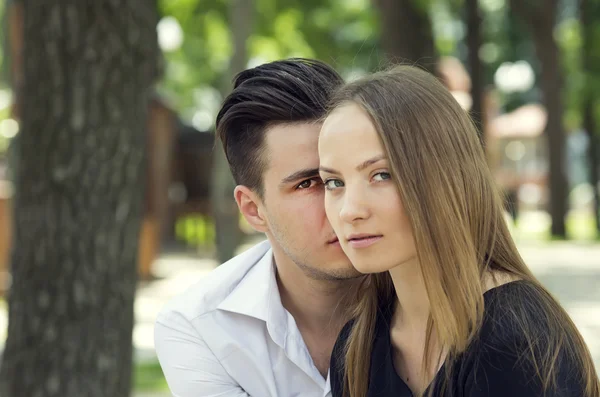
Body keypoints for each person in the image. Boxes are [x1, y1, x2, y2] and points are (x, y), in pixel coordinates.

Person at [318, 66, 600, 397]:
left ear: (445, 178)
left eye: (382, 175)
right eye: (334, 182)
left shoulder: (516, 343)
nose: (349, 210)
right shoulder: (356, 348)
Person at [154, 58, 361, 397]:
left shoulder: (434, 292)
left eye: (342, 177)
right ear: (253, 209)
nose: (347, 207)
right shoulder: (200, 327)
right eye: (309, 184)